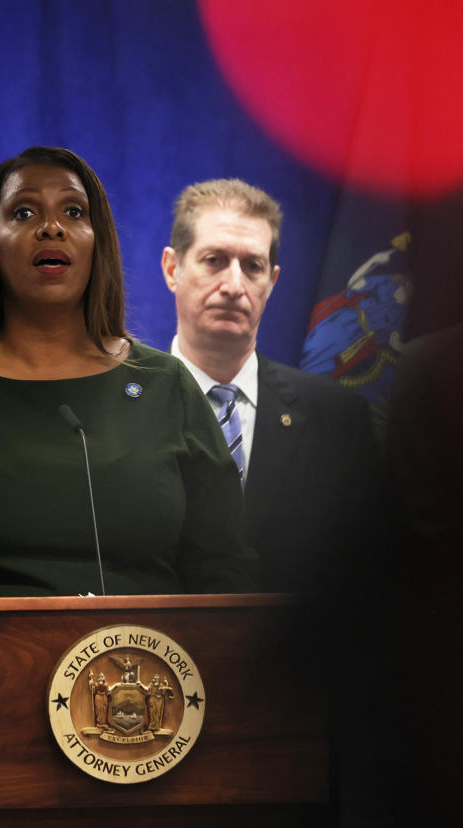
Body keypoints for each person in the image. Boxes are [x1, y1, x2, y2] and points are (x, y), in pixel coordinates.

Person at [0, 147, 253, 655]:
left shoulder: (166, 384)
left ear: (97, 244)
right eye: (24, 212)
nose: (51, 228)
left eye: (74, 212)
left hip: (144, 704)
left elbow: (225, 571)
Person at [160, 178, 381, 596]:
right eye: (214, 260)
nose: (233, 285)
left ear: (272, 280)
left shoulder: (337, 419)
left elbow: (368, 574)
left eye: (252, 266)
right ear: (173, 268)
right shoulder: (120, 406)